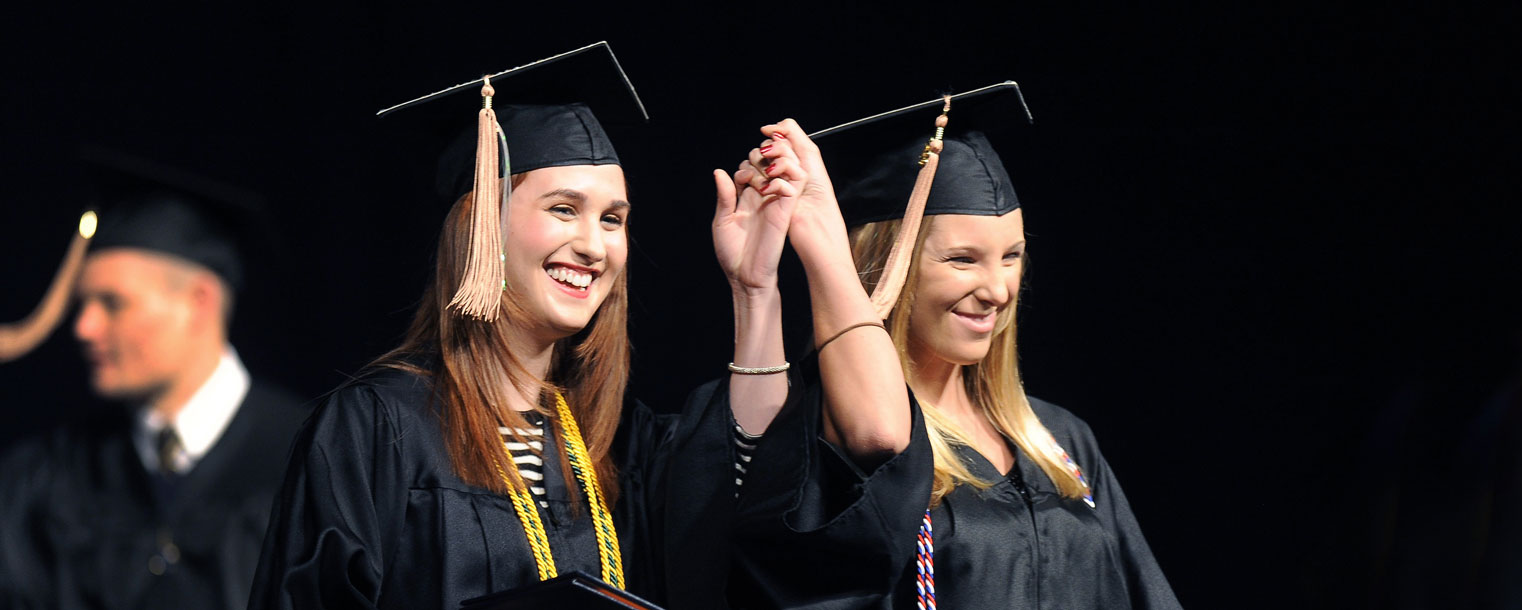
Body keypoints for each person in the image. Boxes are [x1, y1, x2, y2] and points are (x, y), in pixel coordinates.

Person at [247, 42, 739, 610]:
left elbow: (746, 520)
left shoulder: (625, 442)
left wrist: (754, 291)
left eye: (612, 220)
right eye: (562, 209)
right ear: (482, 226)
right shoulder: (379, 427)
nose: (592, 245)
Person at [712, 83, 1182, 609]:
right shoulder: (825, 442)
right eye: (962, 259)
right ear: (889, 263)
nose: (998, 290)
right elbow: (879, 436)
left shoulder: (1061, 440)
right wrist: (816, 233)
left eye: (1011, 256)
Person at [0, 151, 311, 609]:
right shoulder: (50, 476)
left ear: (198, 302)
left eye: (112, 303)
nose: (83, 327)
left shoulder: (309, 459)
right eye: (83, 304)